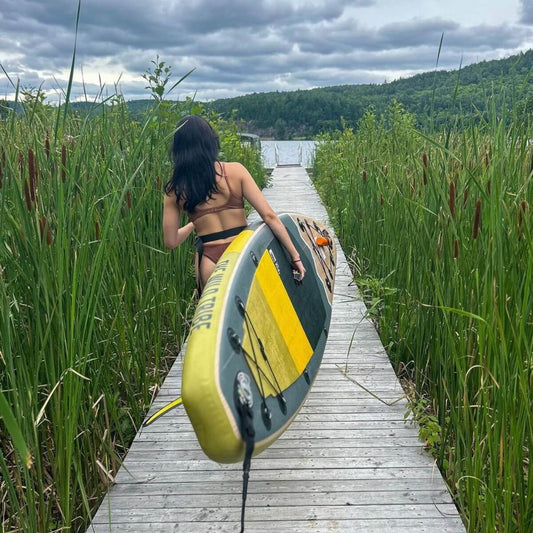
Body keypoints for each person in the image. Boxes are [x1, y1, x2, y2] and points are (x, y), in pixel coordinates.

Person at [162, 115, 306, 291]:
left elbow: (171, 241)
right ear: (210, 141)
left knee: (223, 317)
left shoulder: (174, 190)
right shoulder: (235, 171)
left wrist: (195, 223)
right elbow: (269, 217)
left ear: (178, 149)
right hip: (243, 255)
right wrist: (295, 256)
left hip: (211, 263)